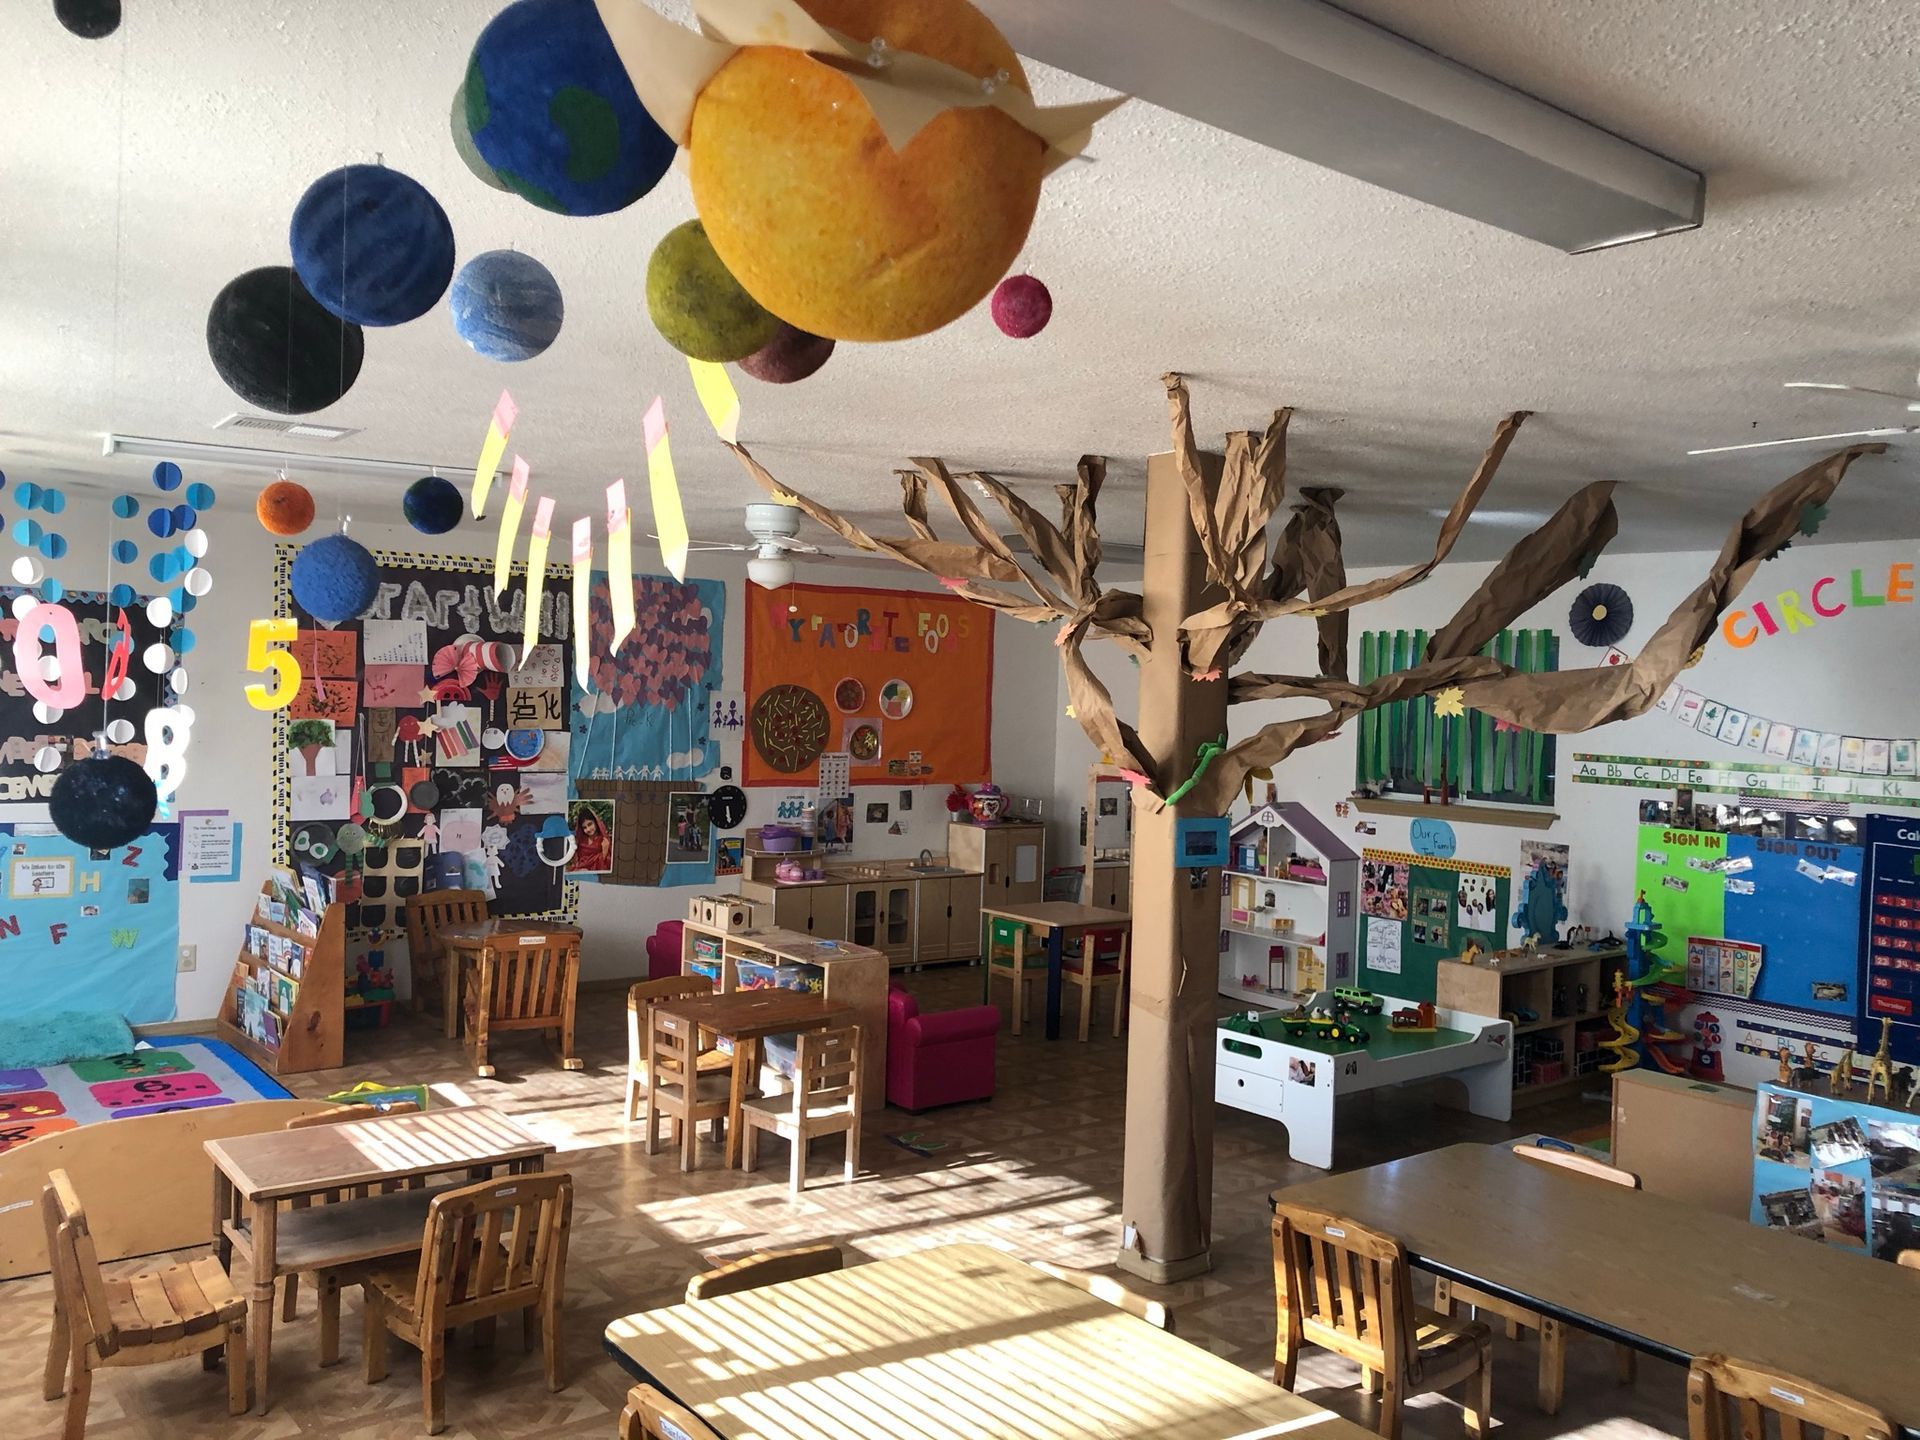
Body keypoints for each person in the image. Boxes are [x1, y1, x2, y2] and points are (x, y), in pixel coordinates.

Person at [571, 808, 612, 873]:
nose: (588, 829)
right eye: (584, 827)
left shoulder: (604, 841)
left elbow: (609, 864)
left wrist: (604, 853)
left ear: (595, 822)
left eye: (590, 824)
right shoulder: (582, 842)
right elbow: (579, 862)